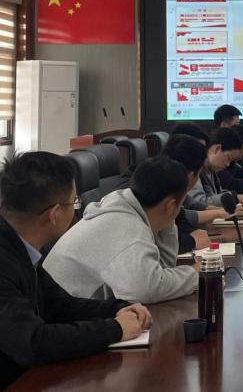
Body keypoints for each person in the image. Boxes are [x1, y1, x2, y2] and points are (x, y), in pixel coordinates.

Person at [0, 152, 150, 389]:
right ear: (54, 214)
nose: (76, 209)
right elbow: (33, 342)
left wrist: (116, 308)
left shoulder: (20, 245)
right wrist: (114, 329)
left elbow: (58, 304)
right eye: (75, 202)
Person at [44, 156, 198, 304]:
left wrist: (168, 221)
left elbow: (163, 268)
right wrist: (196, 274)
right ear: (170, 205)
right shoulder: (126, 227)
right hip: (62, 314)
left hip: (78, 309)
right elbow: (145, 290)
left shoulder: (127, 208)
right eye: (180, 204)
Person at [185, 127, 243, 209]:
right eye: (228, 158)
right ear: (217, 149)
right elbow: (198, 202)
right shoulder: (194, 168)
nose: (228, 164)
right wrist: (232, 197)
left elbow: (216, 193)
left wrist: (233, 199)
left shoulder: (211, 170)